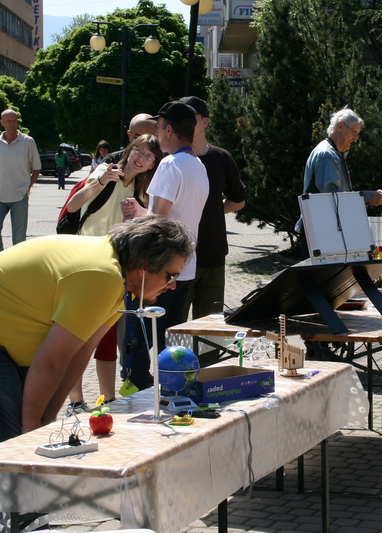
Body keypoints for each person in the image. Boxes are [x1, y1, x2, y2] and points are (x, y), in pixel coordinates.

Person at [0, 215, 194, 453]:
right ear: (144, 265)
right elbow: (51, 361)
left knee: (23, 438)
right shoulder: (101, 276)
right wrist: (33, 428)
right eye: (171, 276)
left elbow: (78, 355)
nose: (172, 286)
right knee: (4, 445)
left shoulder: (118, 283)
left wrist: (46, 420)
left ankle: (19, 508)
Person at [62, 135, 163, 413]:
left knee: (106, 336)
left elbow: (150, 228)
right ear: (129, 150)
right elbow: (72, 206)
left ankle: (108, 399)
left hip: (116, 266)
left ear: (153, 164)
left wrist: (141, 216)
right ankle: (75, 401)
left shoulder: (144, 190)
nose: (140, 158)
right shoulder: (106, 171)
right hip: (84, 262)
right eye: (138, 151)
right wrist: (100, 181)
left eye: (149, 156)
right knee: (78, 334)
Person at [120, 101, 209, 390]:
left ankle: (138, 390)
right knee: (170, 336)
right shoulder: (198, 165)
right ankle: (171, 388)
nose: (157, 135)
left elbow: (157, 221)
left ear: (168, 129)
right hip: (185, 266)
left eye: (158, 128)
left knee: (140, 335)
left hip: (158, 269)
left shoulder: (171, 164)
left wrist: (136, 213)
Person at [178, 96, 247, 324]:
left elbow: (239, 200)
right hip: (177, 258)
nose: (184, 122)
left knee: (210, 330)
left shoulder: (221, 158)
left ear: (205, 122)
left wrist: (212, 211)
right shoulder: (170, 160)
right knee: (173, 328)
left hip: (212, 257)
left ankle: (209, 362)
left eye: (191, 117)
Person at [294, 107, 382, 257]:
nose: (356, 139)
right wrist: (370, 197)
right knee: (322, 279)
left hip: (323, 230)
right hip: (320, 232)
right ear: (340, 126)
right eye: (354, 133)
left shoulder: (334, 154)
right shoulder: (327, 155)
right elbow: (332, 198)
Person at [0, 109, 41, 254]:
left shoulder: (27, 141)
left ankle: (16, 267)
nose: (12, 124)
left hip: (19, 196)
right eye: (9, 121)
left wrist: (27, 188)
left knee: (19, 239)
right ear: (2, 123)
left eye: (15, 120)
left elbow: (36, 169)